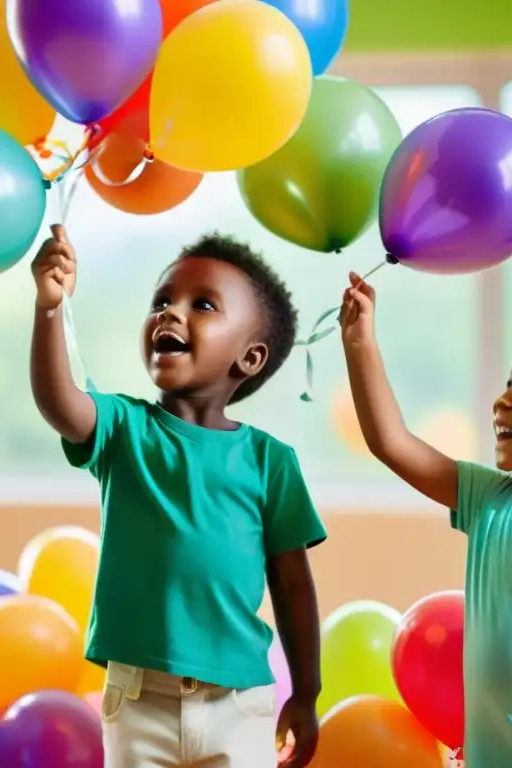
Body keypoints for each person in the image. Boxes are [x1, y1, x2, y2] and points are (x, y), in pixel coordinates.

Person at [30, 225, 327, 767]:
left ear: (251, 358)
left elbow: (293, 585)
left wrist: (306, 693)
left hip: (239, 704)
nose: (169, 313)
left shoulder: (270, 461)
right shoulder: (124, 428)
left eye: (203, 305)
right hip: (139, 700)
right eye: (162, 301)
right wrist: (49, 308)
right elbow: (60, 402)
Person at [341, 272, 512, 766]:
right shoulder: (489, 499)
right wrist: (359, 344)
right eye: (507, 385)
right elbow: (392, 442)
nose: (503, 400)